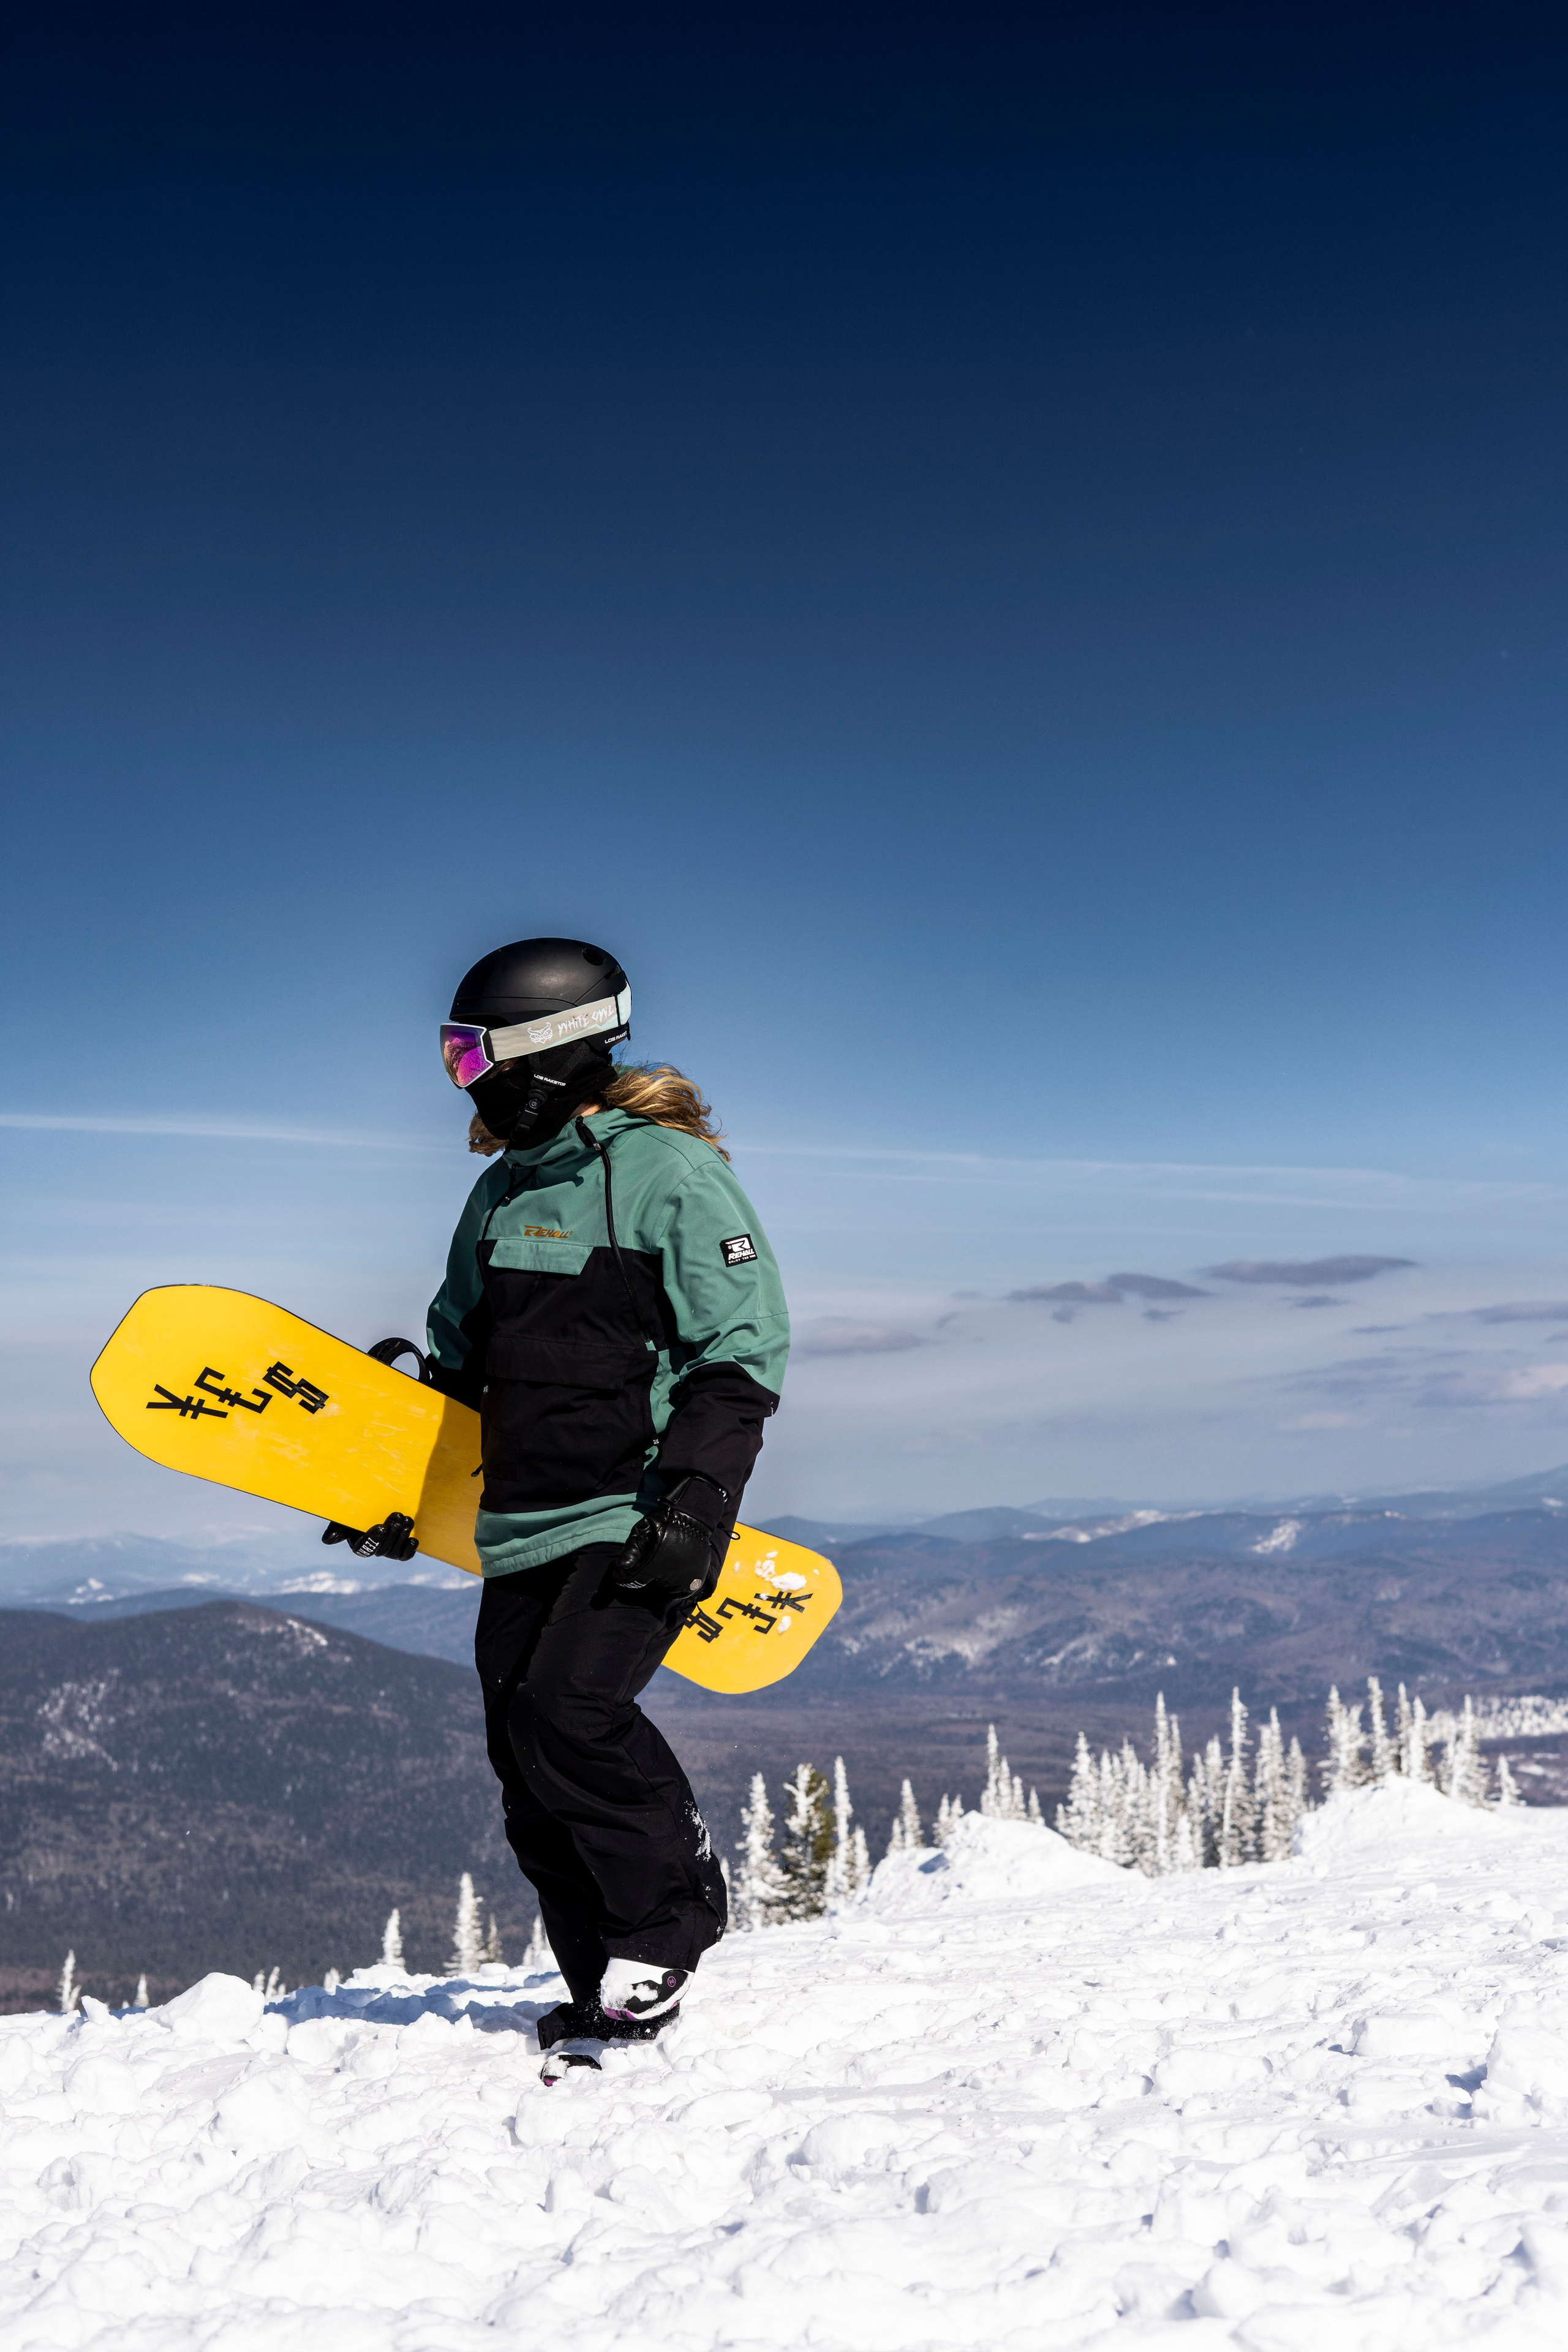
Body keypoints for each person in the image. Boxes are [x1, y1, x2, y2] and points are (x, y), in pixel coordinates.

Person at [421, 937, 788, 2054]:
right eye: (454, 1056)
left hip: (633, 1511)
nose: (466, 1078)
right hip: (520, 1515)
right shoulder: (502, 1190)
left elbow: (741, 1353)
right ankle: (602, 1992)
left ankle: (669, 1924)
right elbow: (457, 1356)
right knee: (523, 1761)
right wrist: (394, 1486)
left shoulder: (670, 1175)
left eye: (473, 1054)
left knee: (570, 1714)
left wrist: (696, 1503)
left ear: (548, 1046)